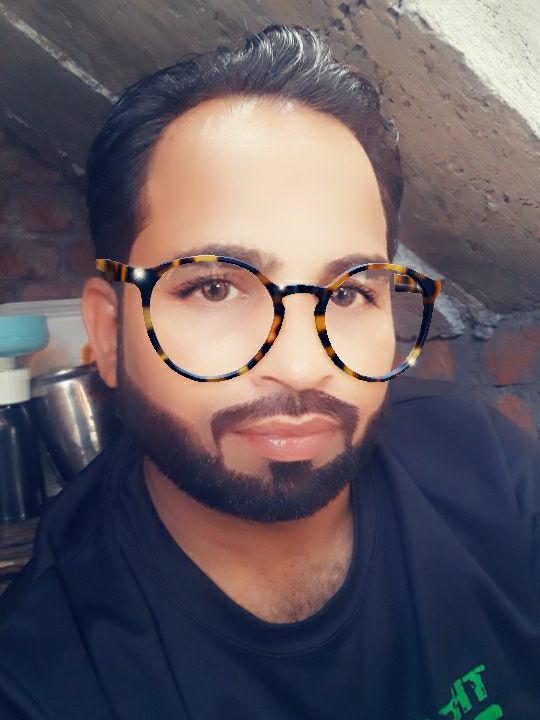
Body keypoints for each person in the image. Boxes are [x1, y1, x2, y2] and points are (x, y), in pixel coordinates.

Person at [0, 23, 539, 720]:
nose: (302, 367)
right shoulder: (42, 675)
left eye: (348, 293)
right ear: (108, 333)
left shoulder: (479, 459)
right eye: (215, 287)